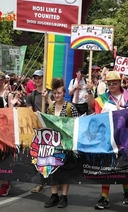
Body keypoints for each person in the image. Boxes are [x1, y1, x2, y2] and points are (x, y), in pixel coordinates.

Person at [87, 70, 128, 210]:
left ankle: (126, 193)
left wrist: (124, 110)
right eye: (109, 83)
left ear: (120, 83)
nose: (112, 85)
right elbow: (91, 106)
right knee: (107, 167)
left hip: (124, 137)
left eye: (115, 83)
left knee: (122, 166)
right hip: (106, 137)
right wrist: (90, 91)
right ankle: (104, 197)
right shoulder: (103, 98)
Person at [43, 78, 78, 208]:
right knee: (52, 169)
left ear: (64, 93)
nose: (57, 95)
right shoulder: (50, 107)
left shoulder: (70, 108)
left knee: (65, 170)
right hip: (52, 143)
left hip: (66, 144)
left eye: (59, 93)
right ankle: (54, 195)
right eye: (55, 93)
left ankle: (64, 196)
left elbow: (75, 124)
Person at [26, 69, 52, 193]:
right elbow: (29, 111)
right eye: (35, 78)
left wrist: (47, 98)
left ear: (44, 79)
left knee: (50, 155)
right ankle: (39, 182)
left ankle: (53, 179)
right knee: (38, 155)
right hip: (38, 129)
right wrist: (34, 114)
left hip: (49, 128)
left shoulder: (51, 93)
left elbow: (54, 109)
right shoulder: (31, 95)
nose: (37, 80)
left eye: (39, 78)